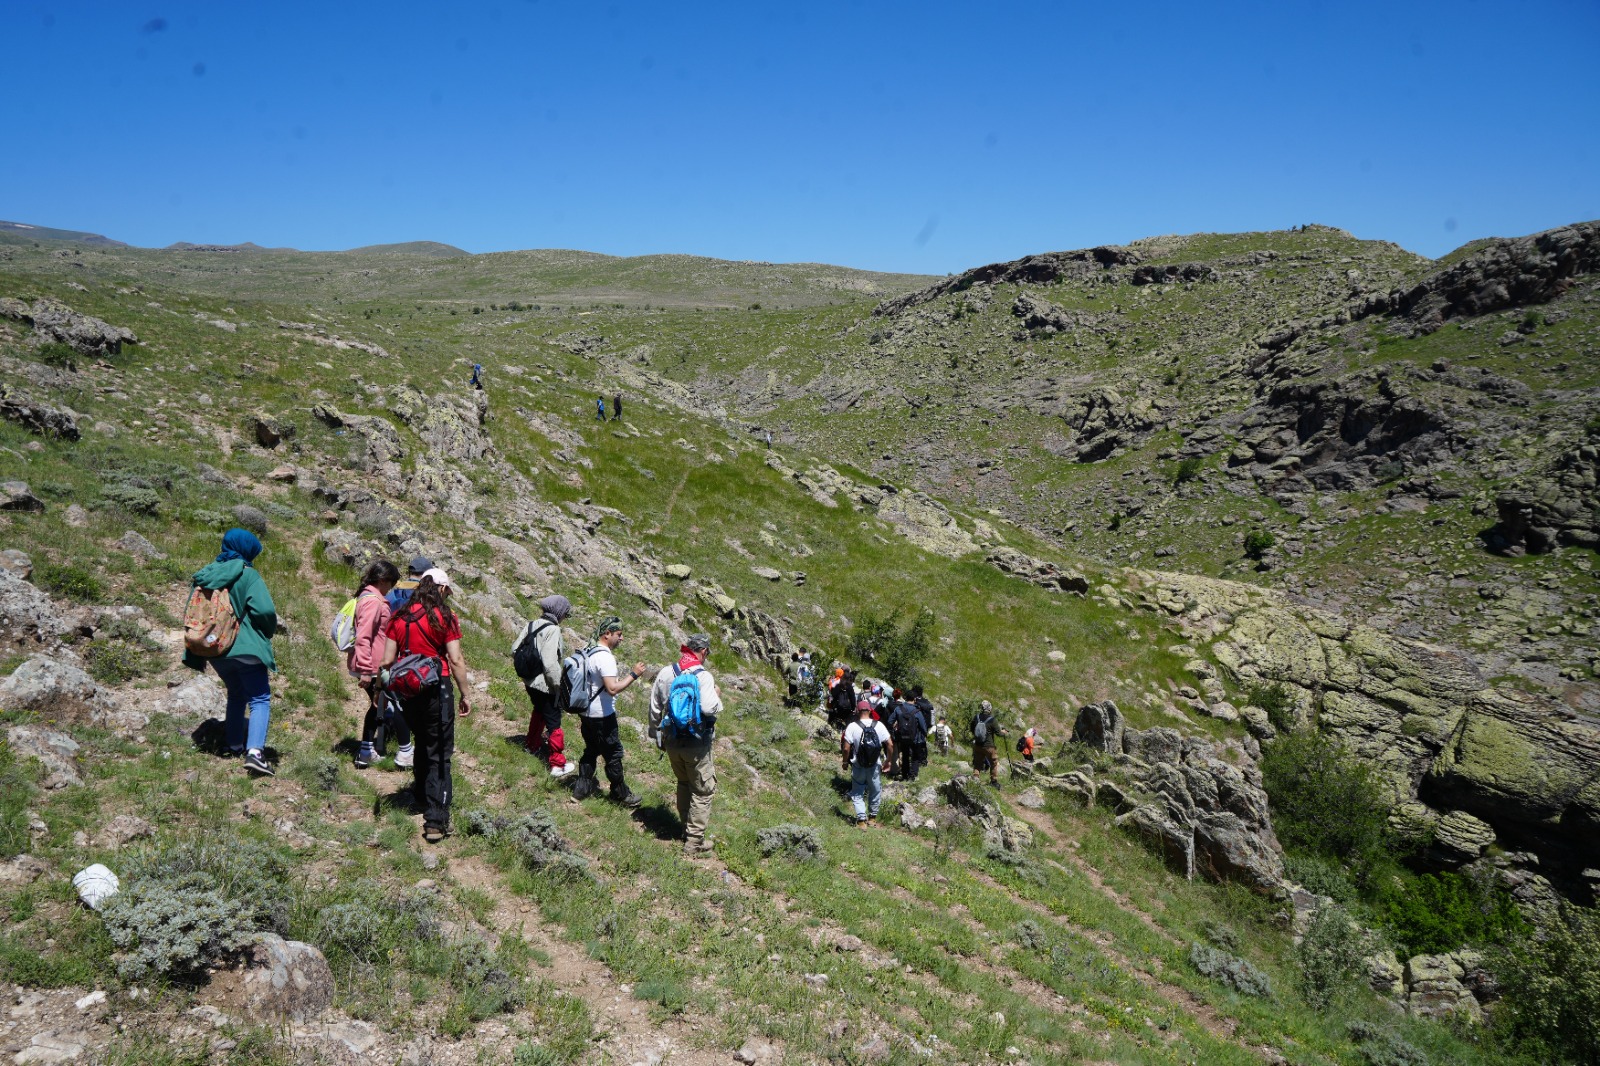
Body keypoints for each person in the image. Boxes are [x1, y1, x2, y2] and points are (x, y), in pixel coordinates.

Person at [382, 569, 472, 843]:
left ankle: (420, 796)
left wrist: (382, 692)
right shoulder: (445, 617)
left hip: (409, 691)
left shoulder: (399, 617)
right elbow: (455, 659)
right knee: (440, 754)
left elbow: (386, 661)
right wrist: (465, 693)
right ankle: (435, 820)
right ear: (442, 589)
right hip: (437, 687)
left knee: (421, 743)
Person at [184, 529, 279, 776]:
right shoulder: (248, 575)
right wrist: (266, 632)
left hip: (215, 650)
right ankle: (256, 753)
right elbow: (266, 611)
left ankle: (234, 744)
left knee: (236, 693)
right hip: (245, 646)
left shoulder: (205, 573)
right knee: (259, 698)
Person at [647, 633, 722, 857]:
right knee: (703, 790)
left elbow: (655, 707)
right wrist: (718, 696)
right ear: (704, 652)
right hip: (696, 744)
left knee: (683, 783)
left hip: (671, 740)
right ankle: (694, 842)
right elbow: (710, 709)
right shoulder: (703, 676)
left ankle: (684, 829)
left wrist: (656, 735)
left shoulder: (667, 672)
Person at [574, 617, 648, 808]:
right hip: (602, 715)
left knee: (591, 749)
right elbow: (612, 688)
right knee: (613, 754)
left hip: (586, 712)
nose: (621, 639)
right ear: (607, 634)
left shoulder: (588, 649)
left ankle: (580, 789)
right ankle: (620, 794)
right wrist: (634, 675)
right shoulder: (605, 657)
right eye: (619, 634)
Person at [350, 559, 414, 770]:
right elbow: (363, 637)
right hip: (375, 666)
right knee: (396, 704)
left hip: (377, 665)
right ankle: (405, 751)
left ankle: (366, 751)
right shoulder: (372, 602)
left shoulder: (370, 598)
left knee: (379, 705)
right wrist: (366, 670)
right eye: (391, 584)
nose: (390, 589)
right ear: (383, 580)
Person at [515, 594, 576, 779]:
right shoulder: (553, 630)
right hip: (544, 684)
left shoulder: (532, 624)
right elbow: (550, 664)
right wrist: (560, 687)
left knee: (539, 711)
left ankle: (532, 744)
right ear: (559, 612)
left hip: (529, 681)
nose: (565, 617)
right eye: (565, 613)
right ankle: (557, 764)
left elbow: (514, 648)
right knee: (554, 722)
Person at [841, 699, 893, 827]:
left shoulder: (852, 726)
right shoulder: (879, 725)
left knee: (857, 790)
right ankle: (872, 818)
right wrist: (888, 761)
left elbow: (846, 748)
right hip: (875, 764)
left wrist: (845, 762)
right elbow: (890, 744)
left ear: (858, 711)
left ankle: (861, 820)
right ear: (870, 710)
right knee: (875, 790)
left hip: (858, 764)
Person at [887, 693, 927, 781]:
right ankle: (913, 775)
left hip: (902, 737)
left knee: (905, 755)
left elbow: (890, 721)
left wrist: (895, 729)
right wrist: (924, 735)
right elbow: (923, 726)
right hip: (915, 738)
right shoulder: (917, 711)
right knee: (915, 757)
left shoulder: (899, 709)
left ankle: (905, 775)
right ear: (915, 699)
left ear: (905, 698)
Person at [972, 700, 1007, 785]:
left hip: (977, 745)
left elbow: (972, 729)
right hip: (989, 746)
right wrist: (1004, 732)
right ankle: (993, 781)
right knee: (993, 763)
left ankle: (975, 778)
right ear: (990, 709)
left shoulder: (976, 717)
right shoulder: (992, 720)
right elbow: (999, 733)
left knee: (978, 763)